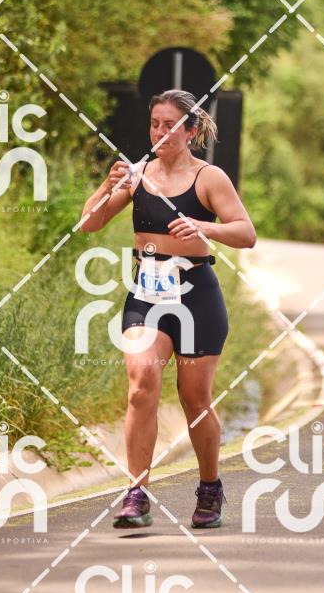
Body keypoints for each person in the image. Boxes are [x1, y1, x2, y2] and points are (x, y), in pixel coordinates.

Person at [80, 89, 256, 529]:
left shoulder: (209, 178)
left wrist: (203, 227)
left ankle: (210, 486)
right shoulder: (138, 175)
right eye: (155, 124)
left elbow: (246, 233)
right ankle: (136, 494)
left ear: (190, 131)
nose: (160, 132)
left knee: (194, 400)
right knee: (141, 384)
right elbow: (88, 223)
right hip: (147, 294)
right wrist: (107, 186)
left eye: (170, 125)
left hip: (196, 297)